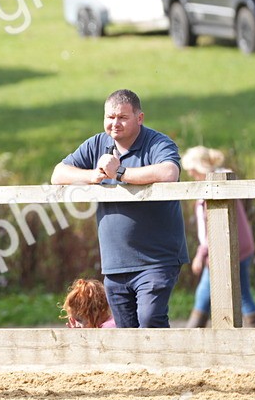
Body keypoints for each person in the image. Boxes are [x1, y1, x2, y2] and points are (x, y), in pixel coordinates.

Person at [50, 89, 188, 328]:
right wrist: (92, 175)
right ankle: (136, 368)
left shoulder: (157, 143)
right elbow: (58, 174)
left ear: (139, 118)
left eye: (122, 117)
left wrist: (120, 173)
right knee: (125, 331)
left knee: (150, 319)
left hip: (156, 260)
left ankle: (161, 365)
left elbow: (169, 172)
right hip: (115, 262)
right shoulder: (97, 144)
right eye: (109, 117)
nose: (115, 124)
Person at [183, 146, 255, 328]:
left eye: (193, 170)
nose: (191, 174)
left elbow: (206, 232)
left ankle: (191, 335)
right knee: (233, 294)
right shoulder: (227, 182)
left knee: (217, 295)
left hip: (225, 250)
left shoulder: (209, 192)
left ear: (199, 168)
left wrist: (201, 255)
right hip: (242, 246)